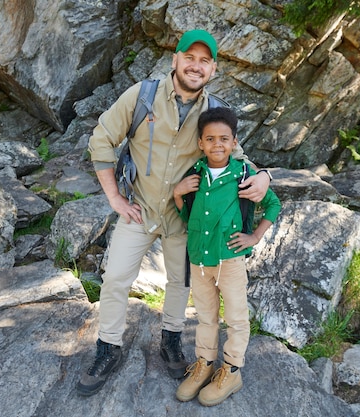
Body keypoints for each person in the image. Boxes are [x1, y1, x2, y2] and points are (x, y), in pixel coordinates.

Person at [77, 29, 272, 397]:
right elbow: (101, 140)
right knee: (116, 277)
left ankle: (170, 341)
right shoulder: (142, 96)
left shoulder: (213, 113)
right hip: (140, 209)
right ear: (175, 60)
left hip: (185, 217)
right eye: (189, 57)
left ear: (212, 69)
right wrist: (115, 199)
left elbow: (237, 157)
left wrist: (264, 175)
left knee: (180, 284)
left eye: (204, 61)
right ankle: (107, 348)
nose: (195, 66)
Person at [173, 107, 281, 406]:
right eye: (210, 139)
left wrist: (254, 237)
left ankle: (231, 371)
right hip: (199, 259)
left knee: (235, 318)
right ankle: (205, 365)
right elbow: (188, 216)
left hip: (230, 262)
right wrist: (178, 194)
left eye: (224, 139)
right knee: (206, 317)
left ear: (234, 142)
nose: (217, 145)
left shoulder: (245, 176)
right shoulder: (195, 174)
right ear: (200, 143)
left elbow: (273, 205)